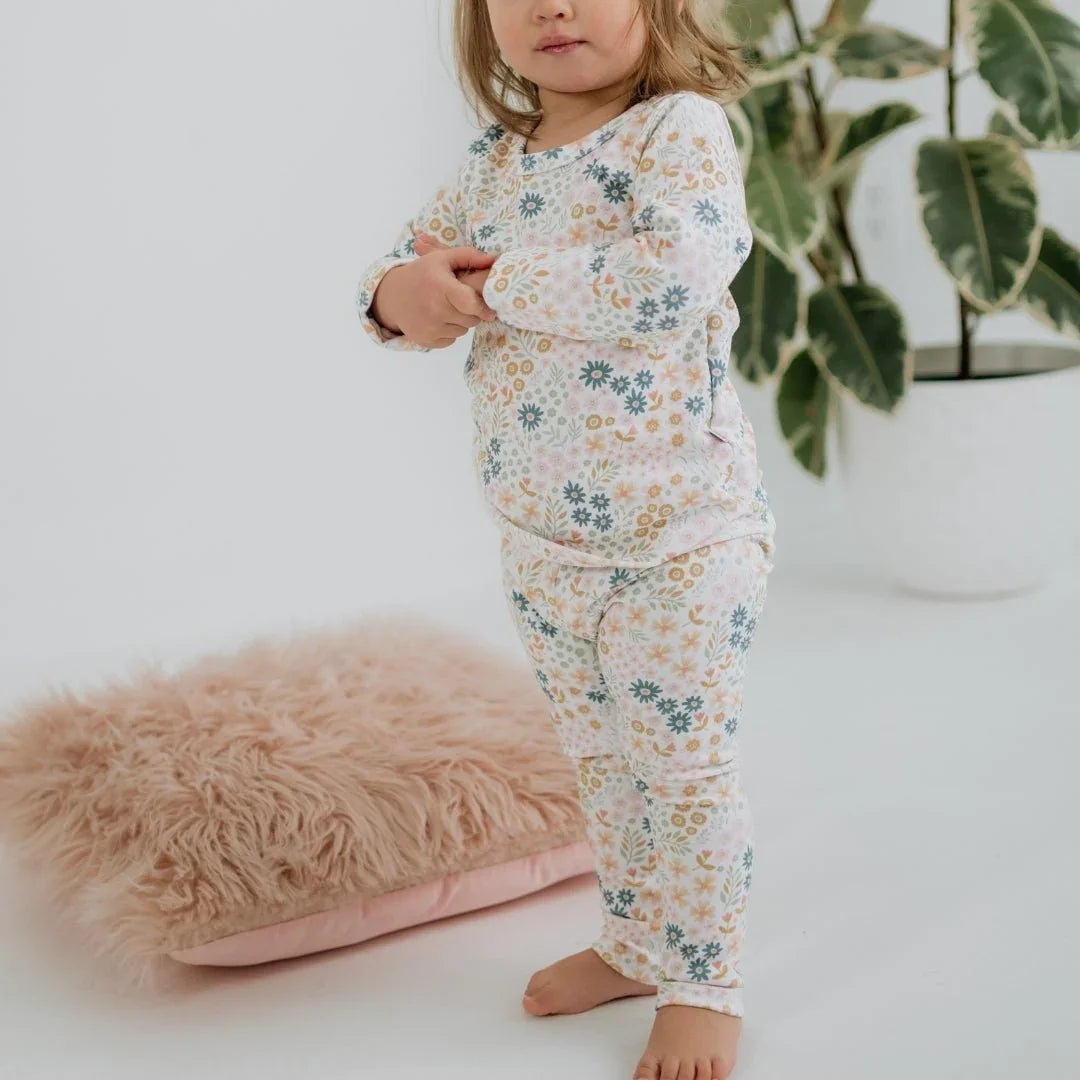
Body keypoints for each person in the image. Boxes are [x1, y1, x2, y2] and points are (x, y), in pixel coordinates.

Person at [355, 2, 776, 1077]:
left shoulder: (676, 130)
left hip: (678, 545)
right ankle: (635, 941)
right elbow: (401, 274)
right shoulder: (492, 163)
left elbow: (668, 279)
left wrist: (490, 284)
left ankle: (704, 980)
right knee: (601, 762)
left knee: (682, 772)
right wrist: (400, 296)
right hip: (543, 548)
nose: (552, 5)